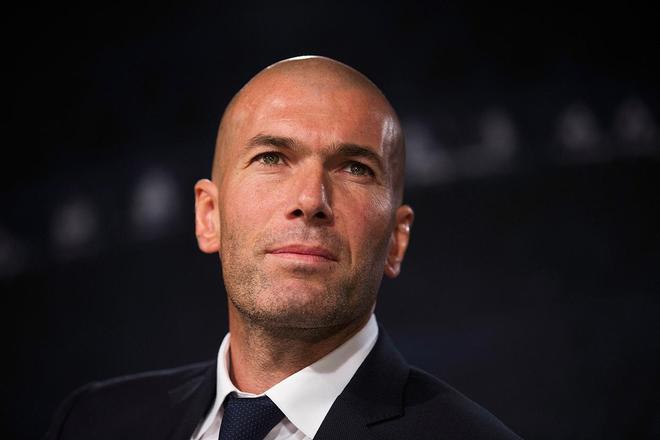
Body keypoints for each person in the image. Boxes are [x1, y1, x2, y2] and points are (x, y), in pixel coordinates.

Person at [44, 56, 522, 440]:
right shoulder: (92, 422)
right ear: (209, 216)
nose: (311, 200)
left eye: (355, 168)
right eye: (272, 158)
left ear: (397, 240)